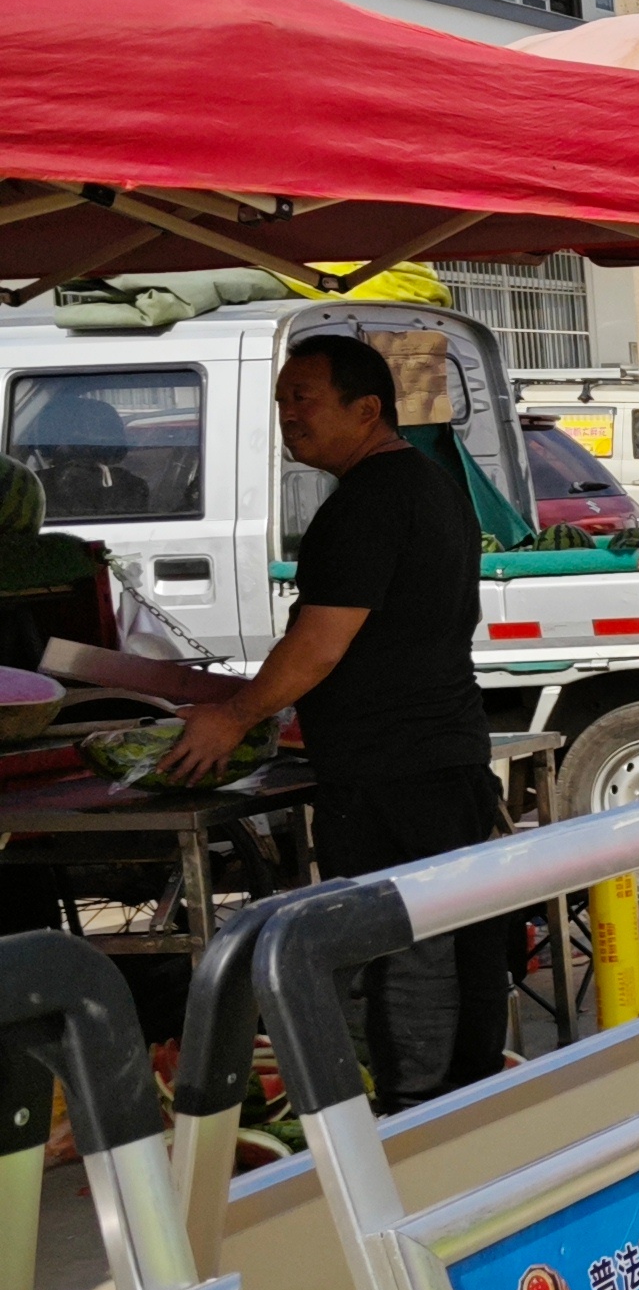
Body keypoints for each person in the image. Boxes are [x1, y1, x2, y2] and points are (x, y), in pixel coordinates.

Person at [163, 333, 511, 1108]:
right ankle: (453, 1107)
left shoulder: (371, 501)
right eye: (283, 400)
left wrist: (233, 716)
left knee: (414, 953)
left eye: (305, 400)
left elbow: (318, 644)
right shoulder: (425, 483)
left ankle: (426, 1117)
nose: (289, 416)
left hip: (400, 771)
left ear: (367, 409)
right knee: (440, 946)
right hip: (426, 758)